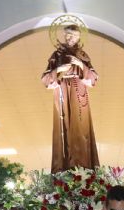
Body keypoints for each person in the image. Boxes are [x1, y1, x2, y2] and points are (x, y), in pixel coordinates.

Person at [42, 24, 99, 173]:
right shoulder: (57, 55)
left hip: (79, 91)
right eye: (68, 34)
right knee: (64, 126)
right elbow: (46, 80)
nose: (70, 38)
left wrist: (80, 64)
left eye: (74, 35)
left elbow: (93, 78)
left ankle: (83, 167)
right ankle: (64, 167)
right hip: (62, 90)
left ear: (79, 37)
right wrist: (59, 69)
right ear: (64, 35)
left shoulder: (82, 55)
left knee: (80, 127)